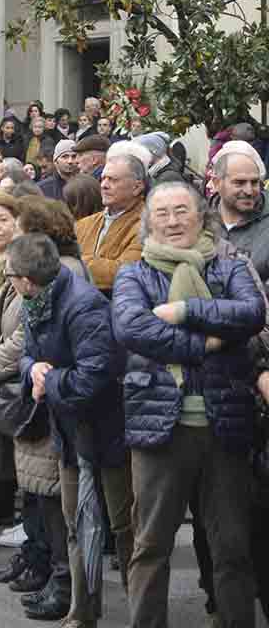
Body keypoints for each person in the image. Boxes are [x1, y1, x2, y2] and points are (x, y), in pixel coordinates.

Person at [112, 182, 265, 628]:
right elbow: (133, 329)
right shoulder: (134, 274)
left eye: (182, 211)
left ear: (201, 215)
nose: (173, 220)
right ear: (149, 220)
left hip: (225, 425)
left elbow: (251, 313)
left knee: (232, 549)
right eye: (163, 213)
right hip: (159, 426)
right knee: (151, 547)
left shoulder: (229, 263)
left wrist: (181, 313)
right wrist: (212, 341)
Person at [11, 231, 133, 627]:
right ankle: (82, 612)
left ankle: (142, 612)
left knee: (123, 526)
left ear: (27, 279)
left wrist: (51, 380)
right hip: (68, 431)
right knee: (75, 523)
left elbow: (93, 377)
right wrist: (34, 370)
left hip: (106, 431)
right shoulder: (35, 299)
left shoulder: (85, 307)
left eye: (10, 275)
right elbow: (27, 355)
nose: (8, 281)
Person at [0, 195, 84, 621]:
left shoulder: (61, 275)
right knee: (37, 490)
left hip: (48, 396)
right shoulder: (28, 272)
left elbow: (31, 336)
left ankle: (62, 582)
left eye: (18, 226)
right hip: (25, 384)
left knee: (54, 495)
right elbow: (7, 328)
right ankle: (42, 564)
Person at [75, 153, 146, 294]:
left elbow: (123, 272)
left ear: (137, 187)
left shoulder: (148, 225)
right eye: (103, 179)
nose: (104, 185)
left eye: (113, 180)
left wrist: (76, 263)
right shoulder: (84, 224)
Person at [211, 148, 269, 278]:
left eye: (254, 182)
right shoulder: (197, 221)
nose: (249, 191)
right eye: (239, 183)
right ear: (216, 183)